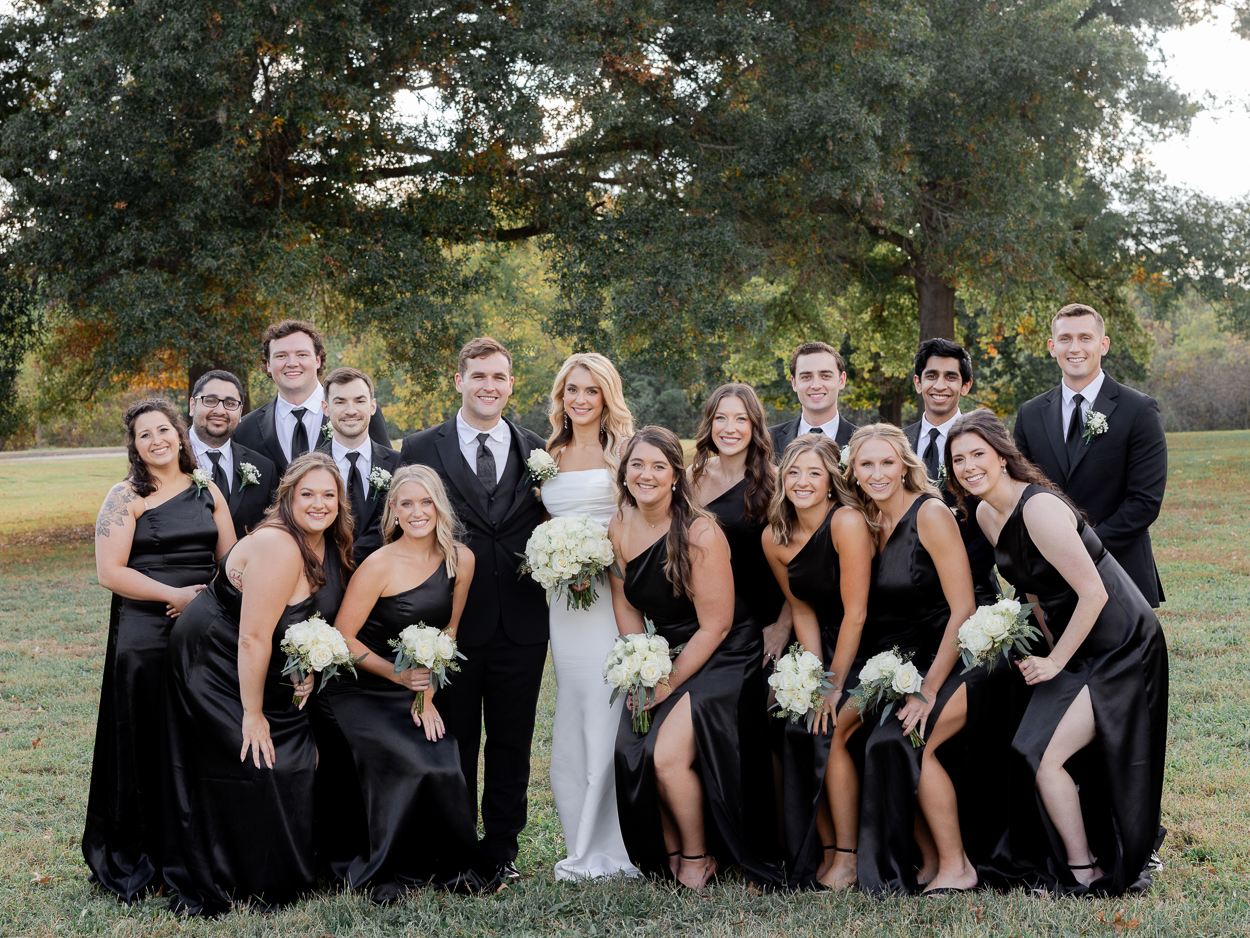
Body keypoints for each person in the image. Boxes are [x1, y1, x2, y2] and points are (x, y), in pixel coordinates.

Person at [948, 409, 1169, 895]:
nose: (968, 467)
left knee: (1047, 755)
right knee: (1027, 746)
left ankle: (1084, 868)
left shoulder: (1038, 510)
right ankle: (1075, 856)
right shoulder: (987, 513)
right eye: (958, 459)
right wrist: (1047, 651)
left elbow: (1094, 594)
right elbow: (1030, 590)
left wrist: (1055, 663)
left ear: (1004, 457)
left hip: (1120, 644)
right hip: (1073, 645)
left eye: (978, 455)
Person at [163, 452, 353, 916]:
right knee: (260, 755)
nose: (319, 503)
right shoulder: (279, 546)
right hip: (213, 660)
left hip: (260, 659)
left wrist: (308, 662)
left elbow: (303, 620)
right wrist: (252, 715)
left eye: (329, 495)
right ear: (287, 497)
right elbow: (251, 637)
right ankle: (241, 872)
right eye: (307, 493)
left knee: (300, 750)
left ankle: (290, 861)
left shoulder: (325, 542)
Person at [398, 337, 548, 880]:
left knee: (512, 744)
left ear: (511, 384)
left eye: (500, 377)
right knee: (454, 740)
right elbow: (398, 528)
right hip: (448, 622)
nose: (490, 386)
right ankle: (454, 849)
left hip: (523, 623)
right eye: (479, 376)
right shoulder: (419, 447)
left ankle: (501, 851)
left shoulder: (537, 450)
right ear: (459, 381)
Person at [310, 465, 498, 899]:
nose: (417, 512)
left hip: (414, 686)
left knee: (442, 760)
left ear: (439, 506)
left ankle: (442, 864)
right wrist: (399, 675)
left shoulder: (460, 560)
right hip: (358, 687)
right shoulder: (378, 564)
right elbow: (343, 639)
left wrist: (426, 696)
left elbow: (447, 635)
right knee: (411, 760)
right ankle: (385, 864)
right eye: (406, 503)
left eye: (426, 502)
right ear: (392, 510)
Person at [610, 427, 783, 892]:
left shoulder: (699, 529)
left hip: (725, 653)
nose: (646, 475)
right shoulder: (620, 524)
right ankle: (665, 849)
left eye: (658, 467)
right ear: (624, 472)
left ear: (675, 476)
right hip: (664, 655)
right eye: (637, 465)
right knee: (634, 747)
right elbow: (627, 608)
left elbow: (717, 625)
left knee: (666, 757)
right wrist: (639, 666)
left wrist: (666, 683)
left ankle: (697, 856)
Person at [84, 399, 235, 903]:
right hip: (145, 631)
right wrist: (172, 596)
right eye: (144, 435)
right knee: (147, 737)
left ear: (180, 434)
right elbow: (111, 572)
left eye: (163, 430)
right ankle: (142, 851)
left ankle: (199, 845)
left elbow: (233, 563)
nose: (156, 440)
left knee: (198, 738)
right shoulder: (123, 496)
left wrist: (204, 602)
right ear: (135, 446)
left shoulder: (207, 489)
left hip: (203, 628)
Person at [846, 424, 980, 896]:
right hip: (905, 660)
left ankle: (957, 865)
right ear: (853, 471)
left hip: (960, 652)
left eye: (887, 462)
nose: (878, 473)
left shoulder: (930, 513)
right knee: (878, 740)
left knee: (905, 739)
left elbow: (964, 608)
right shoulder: (862, 519)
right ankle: (924, 859)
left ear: (905, 465)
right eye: (867, 464)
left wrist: (927, 690)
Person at [539, 352, 639, 881]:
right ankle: (577, 835)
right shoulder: (547, 454)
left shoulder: (624, 453)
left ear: (607, 396)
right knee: (574, 710)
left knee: (607, 708)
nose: (580, 399)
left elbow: (638, 521)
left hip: (611, 595)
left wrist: (596, 559)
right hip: (563, 602)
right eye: (572, 390)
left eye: (591, 390)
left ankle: (614, 846)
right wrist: (557, 560)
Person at [761, 434, 873, 889]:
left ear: (831, 481)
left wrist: (832, 685)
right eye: (793, 472)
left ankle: (848, 856)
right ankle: (823, 850)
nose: (802, 482)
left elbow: (857, 612)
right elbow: (802, 608)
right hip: (822, 645)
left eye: (814, 473)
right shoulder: (775, 536)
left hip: (867, 641)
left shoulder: (846, 520)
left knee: (828, 725)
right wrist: (809, 676)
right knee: (793, 722)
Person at [1012, 303, 1167, 607]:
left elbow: (1144, 502)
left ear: (1103, 345)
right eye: (1065, 339)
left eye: (1086, 338)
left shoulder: (1139, 410)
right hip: (1046, 574)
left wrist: (1081, 549)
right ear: (1052, 347)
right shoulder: (1029, 414)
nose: (1075, 348)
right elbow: (1020, 493)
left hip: (1119, 572)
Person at [688, 384, 784, 869]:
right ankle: (713, 842)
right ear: (709, 423)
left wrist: (781, 626)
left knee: (753, 734)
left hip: (761, 625)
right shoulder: (689, 477)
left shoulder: (770, 481)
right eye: (721, 418)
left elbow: (798, 558)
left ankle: (761, 848)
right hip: (705, 623)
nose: (730, 428)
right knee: (712, 730)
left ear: (755, 428)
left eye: (740, 420)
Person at [902, 338, 998, 604]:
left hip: (974, 590)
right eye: (931, 376)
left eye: (951, 377)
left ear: (965, 386)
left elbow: (996, 514)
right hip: (906, 594)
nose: (940, 385)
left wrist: (951, 577)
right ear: (918, 383)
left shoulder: (985, 443)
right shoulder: (897, 445)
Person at [234, 319, 390, 474]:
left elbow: (387, 473)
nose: (292, 363)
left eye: (302, 354)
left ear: (317, 360)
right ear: (268, 364)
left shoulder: (362, 414)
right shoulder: (244, 429)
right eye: (281, 356)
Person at [317, 367, 402, 565]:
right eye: (340, 402)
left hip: (387, 578)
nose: (351, 410)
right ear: (325, 408)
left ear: (372, 407)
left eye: (359, 400)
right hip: (324, 577)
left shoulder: (398, 464)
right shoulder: (308, 468)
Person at [187, 369, 279, 539]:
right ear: (193, 406)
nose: (220, 410)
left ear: (240, 412)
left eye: (230, 404)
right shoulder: (166, 458)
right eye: (210, 401)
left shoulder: (265, 469)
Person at [768, 342, 858, 457]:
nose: (816, 385)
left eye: (825, 376)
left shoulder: (863, 442)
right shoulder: (766, 440)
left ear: (841, 381)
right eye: (806, 377)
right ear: (794, 383)